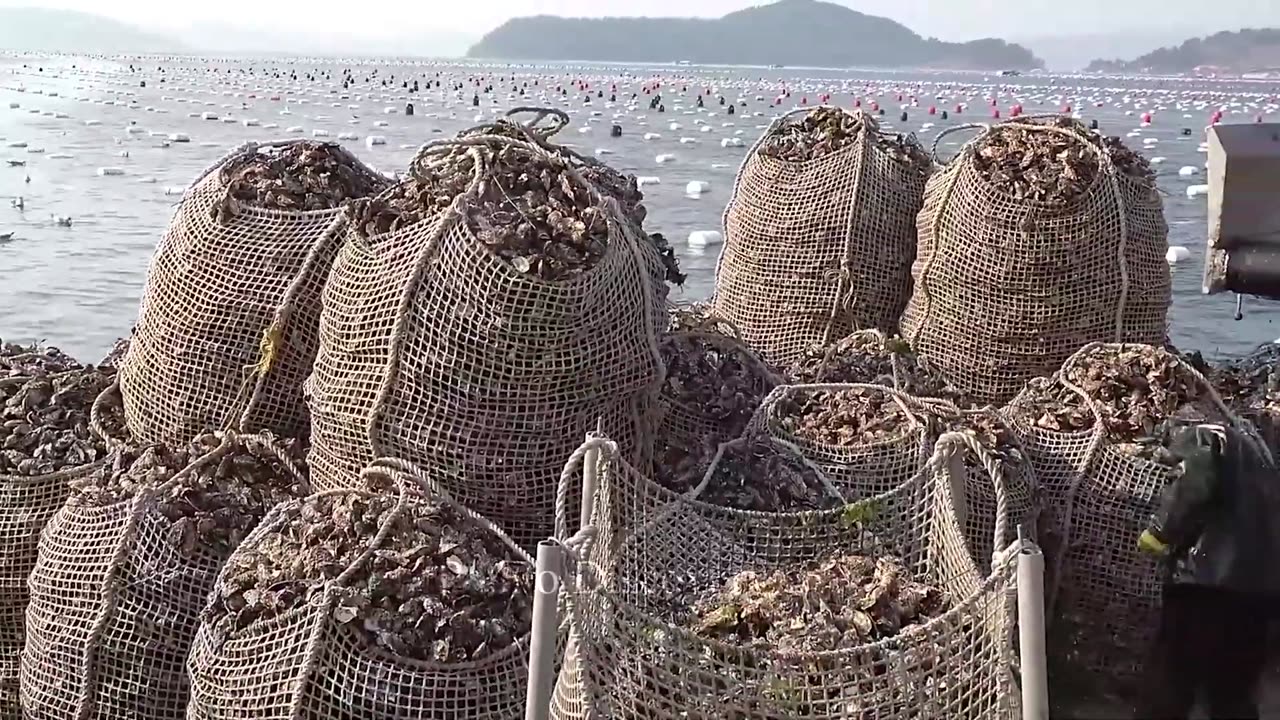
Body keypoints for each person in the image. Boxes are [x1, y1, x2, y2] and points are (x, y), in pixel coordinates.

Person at [1133, 422, 1279, 720]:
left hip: (1203, 585)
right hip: (1260, 594)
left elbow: (1197, 482)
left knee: (1171, 682)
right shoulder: (1263, 459)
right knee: (1233, 693)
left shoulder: (1204, 435)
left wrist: (1160, 533)